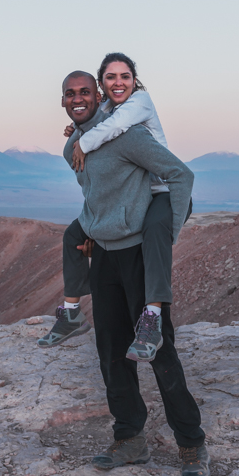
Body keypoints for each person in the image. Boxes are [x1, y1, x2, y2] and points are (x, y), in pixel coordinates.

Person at [42, 68, 211, 476]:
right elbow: (96, 196)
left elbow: (180, 176)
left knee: (160, 352)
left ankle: (191, 443)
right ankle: (129, 437)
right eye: (70, 94)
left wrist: (164, 232)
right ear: (62, 101)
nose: (78, 99)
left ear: (100, 95)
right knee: (111, 352)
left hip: (138, 256)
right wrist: (93, 230)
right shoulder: (72, 147)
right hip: (105, 259)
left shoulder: (128, 135)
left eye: (85, 92)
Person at [39, 53, 181, 363]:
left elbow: (112, 127)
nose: (119, 82)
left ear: (134, 79)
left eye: (125, 76)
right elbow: (92, 120)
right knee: (72, 237)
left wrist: (82, 142)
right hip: (139, 195)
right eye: (111, 76)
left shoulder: (139, 103)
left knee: (157, 233)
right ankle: (72, 313)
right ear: (103, 84)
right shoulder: (106, 107)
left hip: (162, 191)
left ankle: (153, 314)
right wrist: (75, 132)